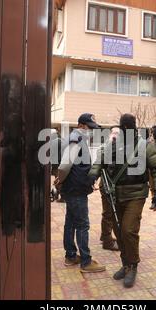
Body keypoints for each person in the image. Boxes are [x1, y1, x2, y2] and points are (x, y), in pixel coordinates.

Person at [89, 114, 156, 288]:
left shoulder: (145, 146)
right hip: (115, 195)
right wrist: (92, 176)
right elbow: (99, 162)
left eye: (128, 127)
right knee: (118, 230)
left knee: (128, 229)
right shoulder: (114, 145)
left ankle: (133, 266)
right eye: (123, 127)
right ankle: (125, 264)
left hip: (136, 194)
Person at [55, 113, 106, 273]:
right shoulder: (75, 139)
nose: (91, 131)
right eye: (90, 128)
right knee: (83, 225)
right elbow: (64, 166)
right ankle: (86, 261)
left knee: (70, 222)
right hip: (75, 189)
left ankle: (71, 256)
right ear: (81, 126)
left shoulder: (77, 138)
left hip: (74, 188)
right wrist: (59, 180)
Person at [99, 127, 120, 251]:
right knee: (108, 213)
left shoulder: (120, 149)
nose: (116, 135)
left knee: (111, 212)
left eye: (118, 133)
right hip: (107, 185)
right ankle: (107, 241)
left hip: (114, 185)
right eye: (114, 133)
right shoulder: (105, 148)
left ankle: (105, 236)